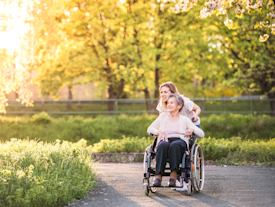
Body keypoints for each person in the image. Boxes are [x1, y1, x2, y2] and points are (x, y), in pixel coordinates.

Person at [147, 93, 204, 187]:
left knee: (175, 145)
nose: (168, 104)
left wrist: (192, 129)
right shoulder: (163, 116)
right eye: (168, 103)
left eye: (172, 103)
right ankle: (158, 176)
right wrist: (159, 132)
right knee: (162, 145)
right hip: (166, 139)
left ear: (179, 105)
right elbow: (150, 128)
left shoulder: (184, 119)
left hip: (180, 141)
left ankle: (173, 176)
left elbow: (201, 134)